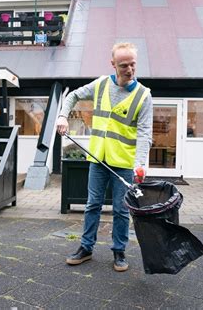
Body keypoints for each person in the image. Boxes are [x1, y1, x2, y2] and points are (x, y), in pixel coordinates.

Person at [57, 42, 153, 272]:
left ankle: (119, 251)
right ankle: (86, 248)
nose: (129, 69)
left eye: (133, 64)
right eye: (124, 65)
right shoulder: (100, 84)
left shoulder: (143, 96)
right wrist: (62, 116)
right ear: (113, 65)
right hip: (98, 160)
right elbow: (73, 96)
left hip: (125, 163)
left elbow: (144, 134)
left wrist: (140, 164)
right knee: (93, 205)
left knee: (121, 210)